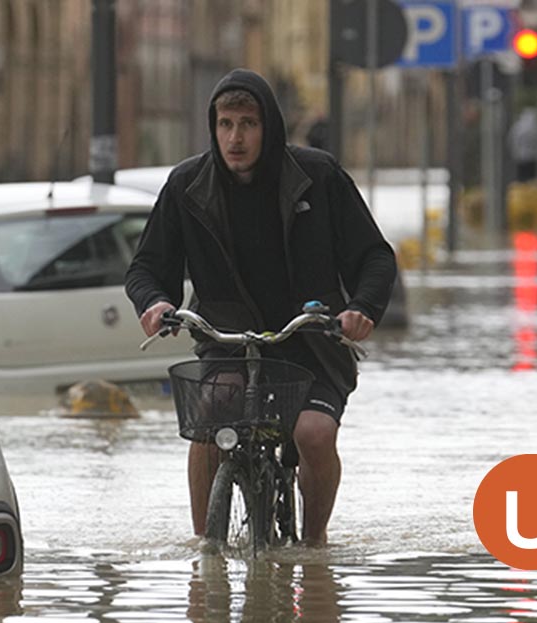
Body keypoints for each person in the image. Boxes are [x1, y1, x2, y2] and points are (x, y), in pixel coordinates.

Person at [125, 69, 398, 546]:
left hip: (311, 343)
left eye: (248, 124)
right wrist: (155, 302)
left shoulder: (318, 176)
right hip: (227, 342)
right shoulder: (187, 185)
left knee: (313, 434)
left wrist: (361, 309)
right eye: (225, 124)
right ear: (212, 127)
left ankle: (314, 546)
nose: (235, 138)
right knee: (209, 421)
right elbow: (146, 267)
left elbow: (375, 255)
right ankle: (205, 543)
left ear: (268, 126)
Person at [508, 107, 537, 182]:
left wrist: (515, 151)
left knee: (521, 177)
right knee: (532, 177)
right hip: (533, 157)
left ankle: (522, 190)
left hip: (520, 156)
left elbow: (512, 139)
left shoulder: (518, 126)